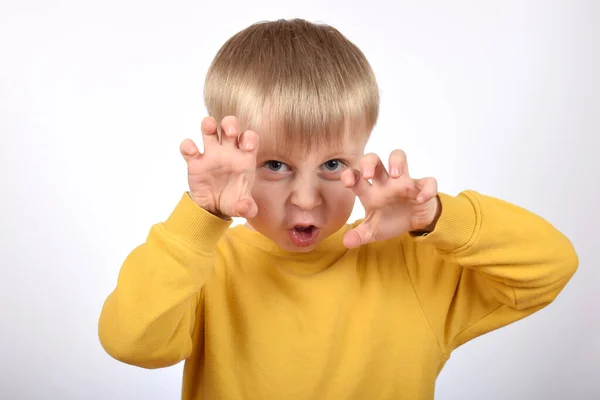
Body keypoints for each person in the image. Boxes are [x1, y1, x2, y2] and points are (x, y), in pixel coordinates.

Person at [98, 18, 578, 400]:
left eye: (332, 163)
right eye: (274, 164)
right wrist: (199, 222)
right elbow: (131, 341)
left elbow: (552, 265)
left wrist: (433, 219)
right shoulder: (204, 268)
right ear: (233, 158)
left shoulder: (410, 265)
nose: (306, 199)